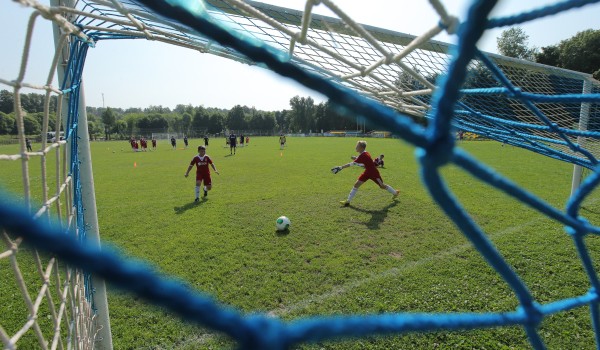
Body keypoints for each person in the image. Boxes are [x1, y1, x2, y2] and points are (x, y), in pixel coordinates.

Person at [331, 140, 399, 206]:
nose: (356, 147)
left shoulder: (363, 155)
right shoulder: (365, 153)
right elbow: (365, 162)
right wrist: (356, 158)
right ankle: (348, 201)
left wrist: (341, 167)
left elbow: (352, 164)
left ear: (361, 147)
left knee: (382, 186)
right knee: (356, 185)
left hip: (373, 173)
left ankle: (395, 193)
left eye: (357, 146)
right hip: (367, 172)